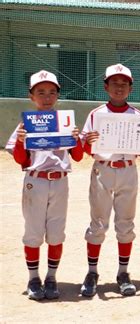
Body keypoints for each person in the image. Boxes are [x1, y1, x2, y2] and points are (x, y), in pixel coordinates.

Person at [79, 64, 140, 297]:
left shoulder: (139, 117)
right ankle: (92, 272)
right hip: (103, 169)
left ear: (130, 88)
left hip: (128, 170)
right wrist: (87, 141)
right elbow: (85, 148)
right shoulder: (96, 114)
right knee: (98, 223)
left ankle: (123, 272)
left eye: (124, 83)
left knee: (125, 223)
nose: (119, 87)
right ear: (106, 87)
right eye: (114, 83)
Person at [5, 70, 84, 300]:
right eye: (41, 92)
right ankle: (33, 278)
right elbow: (22, 159)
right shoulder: (26, 124)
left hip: (60, 182)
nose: (47, 97)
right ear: (31, 96)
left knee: (57, 232)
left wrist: (76, 138)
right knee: (33, 232)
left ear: (58, 95)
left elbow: (77, 157)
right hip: (35, 181)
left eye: (52, 92)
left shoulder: (66, 122)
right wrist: (21, 140)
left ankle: (51, 277)